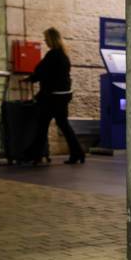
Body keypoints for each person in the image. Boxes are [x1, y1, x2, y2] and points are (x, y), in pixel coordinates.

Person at [26, 27, 85, 164]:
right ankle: (78, 153)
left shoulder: (52, 55)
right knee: (63, 124)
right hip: (63, 96)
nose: (45, 41)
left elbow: (42, 72)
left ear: (51, 39)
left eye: (46, 38)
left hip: (52, 97)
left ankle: (35, 155)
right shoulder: (63, 55)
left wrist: (31, 78)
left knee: (42, 125)